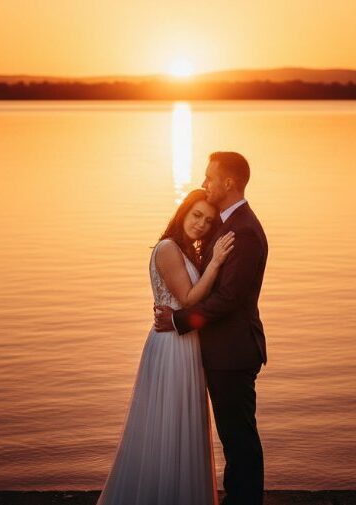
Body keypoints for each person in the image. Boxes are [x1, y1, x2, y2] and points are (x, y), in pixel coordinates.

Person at [96, 188, 236, 505]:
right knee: (167, 423)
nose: (201, 223)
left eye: (208, 220)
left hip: (185, 344)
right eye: (196, 214)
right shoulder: (167, 248)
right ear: (183, 212)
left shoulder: (186, 252)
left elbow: (190, 303)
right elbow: (187, 299)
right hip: (171, 346)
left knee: (184, 423)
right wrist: (216, 263)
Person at [154, 151, 268, 505]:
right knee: (234, 436)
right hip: (222, 351)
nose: (205, 184)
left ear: (228, 183)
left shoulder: (244, 231)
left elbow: (228, 301)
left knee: (239, 439)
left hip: (234, 352)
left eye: (209, 178)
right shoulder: (226, 224)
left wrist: (178, 321)